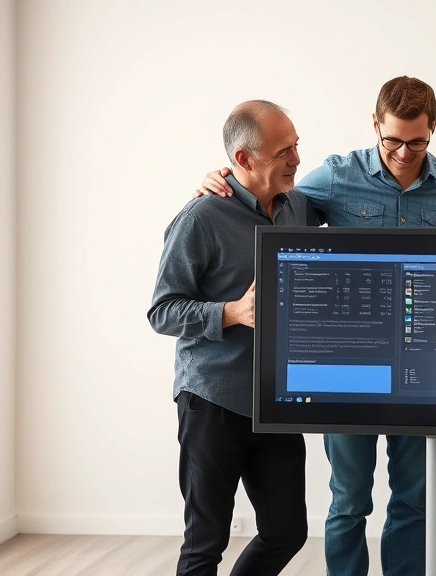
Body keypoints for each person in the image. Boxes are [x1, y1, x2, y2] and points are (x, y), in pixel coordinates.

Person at [195, 76, 436, 576]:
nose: (403, 152)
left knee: (412, 498)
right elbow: (266, 196)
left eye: (417, 142)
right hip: (348, 363)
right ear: (375, 125)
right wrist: (218, 180)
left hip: (421, 364)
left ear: (433, 129)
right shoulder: (333, 178)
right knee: (349, 498)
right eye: (392, 140)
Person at [148, 101, 319, 576]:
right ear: (244, 160)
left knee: (287, 531)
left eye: (297, 145)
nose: (297, 160)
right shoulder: (201, 217)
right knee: (206, 542)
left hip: (276, 401)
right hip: (212, 398)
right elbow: (161, 310)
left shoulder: (300, 207)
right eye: (284, 151)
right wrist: (229, 313)